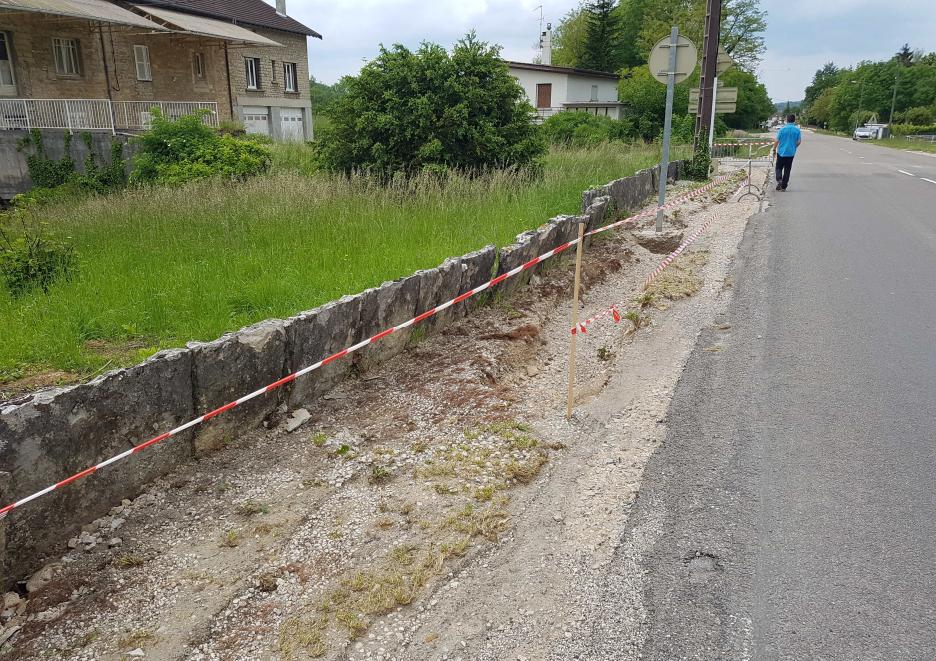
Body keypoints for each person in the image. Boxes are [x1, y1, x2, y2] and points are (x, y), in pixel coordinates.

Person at [773, 114, 802, 191]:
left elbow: (776, 141)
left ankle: (779, 180)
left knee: (778, 167)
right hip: (791, 153)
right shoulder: (797, 130)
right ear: (794, 120)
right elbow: (799, 142)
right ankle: (784, 186)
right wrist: (793, 146)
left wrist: (774, 149)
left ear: (786, 120)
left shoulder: (782, 129)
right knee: (787, 169)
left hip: (781, 152)